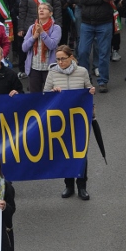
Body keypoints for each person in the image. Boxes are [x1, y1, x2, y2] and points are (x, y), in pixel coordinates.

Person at [43, 45, 96, 199]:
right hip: (61, 121)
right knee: (65, 152)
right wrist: (53, 93)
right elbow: (45, 94)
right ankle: (68, 185)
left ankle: (82, 186)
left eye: (63, 59)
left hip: (78, 120)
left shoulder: (82, 72)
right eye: (58, 59)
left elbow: (88, 89)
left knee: (80, 153)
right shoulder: (52, 73)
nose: (60, 62)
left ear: (71, 57)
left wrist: (91, 90)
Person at [77, 0, 118, 93]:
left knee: (103, 53)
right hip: (87, 22)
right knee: (82, 52)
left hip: (104, 23)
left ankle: (103, 81)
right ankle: (85, 81)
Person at [22, 3, 62, 93]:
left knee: (50, 96)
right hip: (34, 68)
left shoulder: (56, 28)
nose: (41, 10)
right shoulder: (32, 28)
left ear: (51, 13)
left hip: (49, 68)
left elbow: (52, 45)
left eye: (44, 8)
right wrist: (34, 37)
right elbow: (24, 48)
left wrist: (43, 33)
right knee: (35, 97)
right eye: (39, 8)